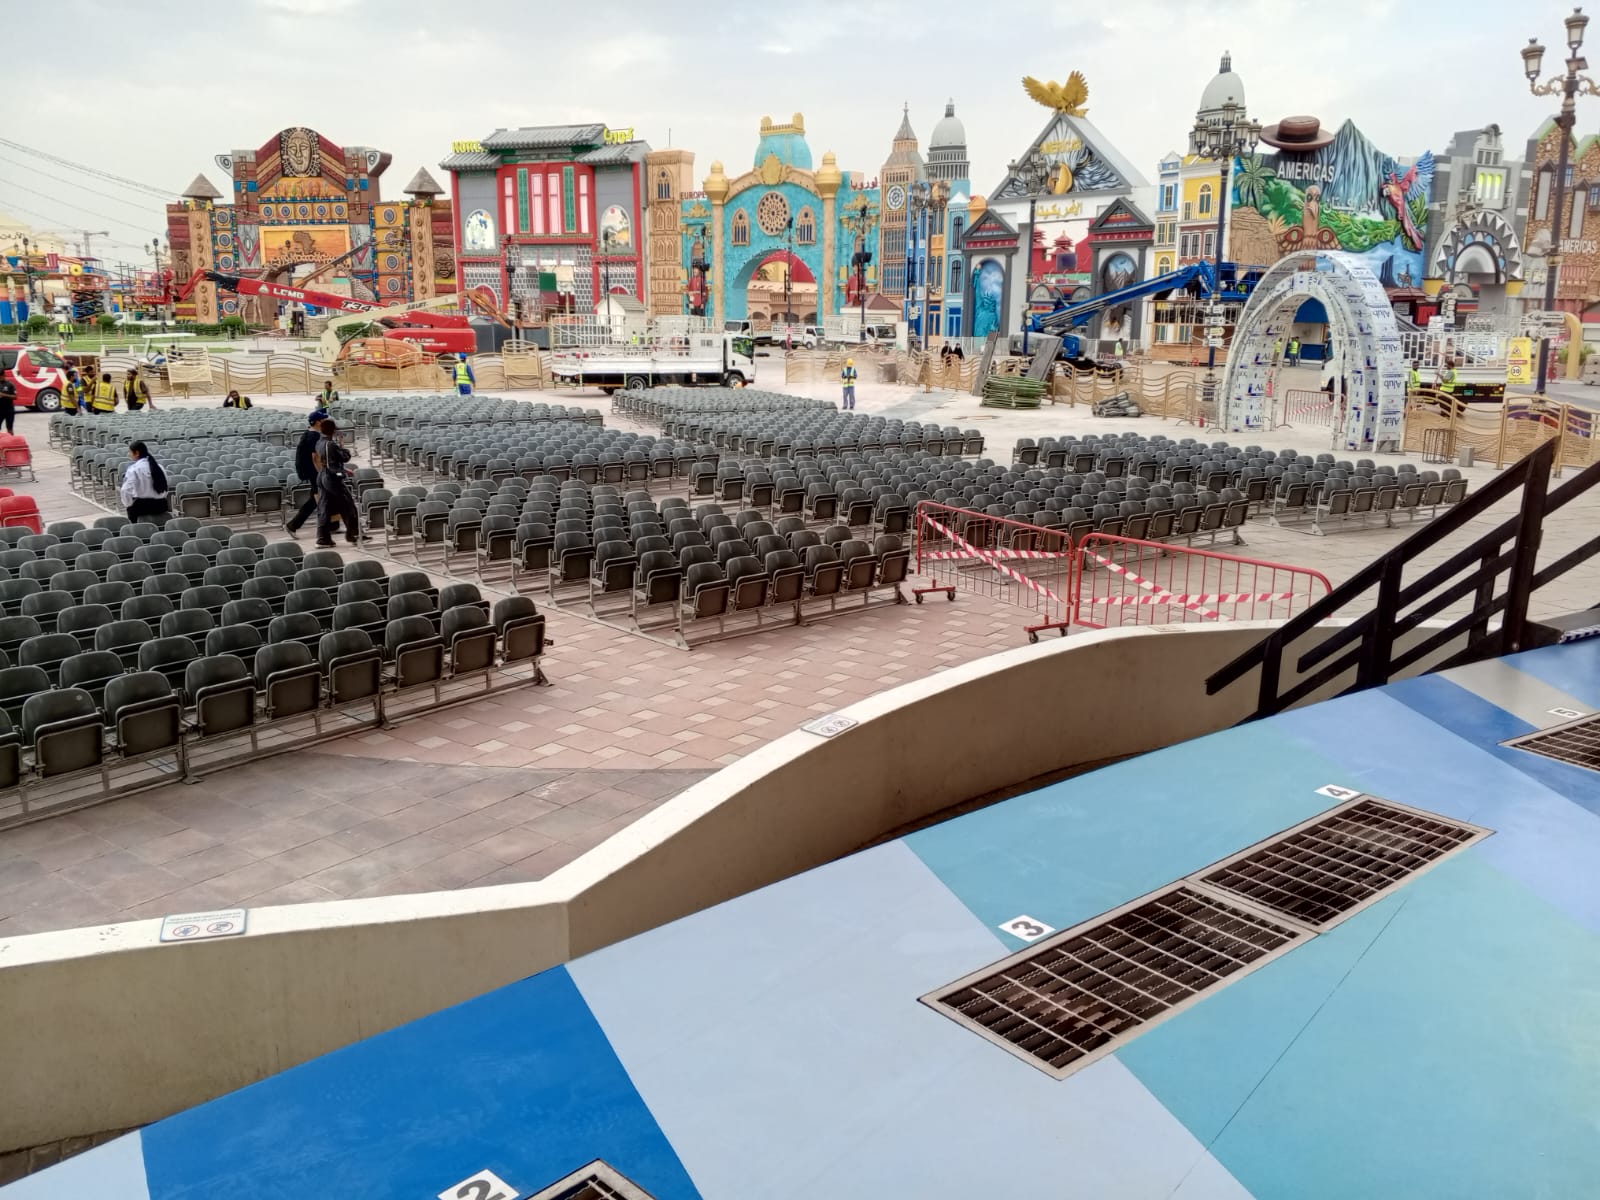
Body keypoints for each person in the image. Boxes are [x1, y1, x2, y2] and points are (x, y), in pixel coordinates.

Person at [312, 417, 364, 547]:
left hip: (323, 475)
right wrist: (342, 444)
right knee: (348, 505)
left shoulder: (319, 442)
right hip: (332, 478)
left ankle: (323, 539)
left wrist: (343, 469)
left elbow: (329, 460)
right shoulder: (331, 444)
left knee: (324, 507)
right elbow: (345, 457)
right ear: (333, 430)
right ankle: (354, 534)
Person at [284, 409, 330, 538]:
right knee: (316, 499)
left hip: (312, 472)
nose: (325, 421)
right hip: (315, 472)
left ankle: (333, 524)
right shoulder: (314, 436)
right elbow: (315, 458)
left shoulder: (309, 434)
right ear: (317, 422)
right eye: (323, 420)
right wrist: (322, 473)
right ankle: (292, 525)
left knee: (320, 498)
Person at [118, 441, 171, 522]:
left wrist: (128, 504)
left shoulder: (134, 469)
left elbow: (125, 490)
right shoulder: (159, 467)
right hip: (161, 505)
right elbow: (165, 486)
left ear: (137, 453)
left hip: (141, 507)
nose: (129, 454)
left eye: (130, 452)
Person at [0, 370, 14, 434]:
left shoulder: (10, 384)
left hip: (9, 410)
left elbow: (15, 396)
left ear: (4, 375)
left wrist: (3, 395)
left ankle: (11, 439)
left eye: (1, 376)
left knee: (10, 429)